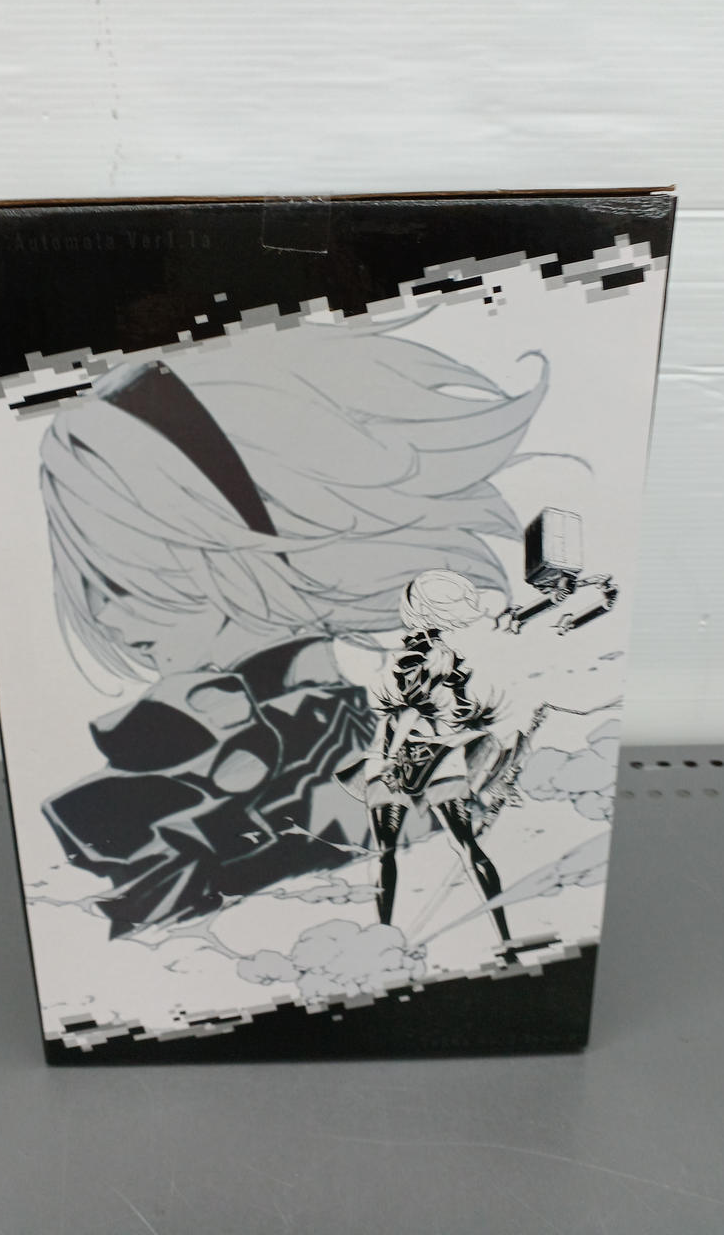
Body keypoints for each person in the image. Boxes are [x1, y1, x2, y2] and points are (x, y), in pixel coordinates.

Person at [38, 320, 546, 937]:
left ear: (244, 543)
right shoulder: (172, 750)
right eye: (90, 582)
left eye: (122, 578)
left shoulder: (354, 741)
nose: (101, 614)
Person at [336, 570, 517, 949]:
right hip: (434, 754)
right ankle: (504, 937)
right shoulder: (441, 654)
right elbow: (452, 707)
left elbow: (409, 711)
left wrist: (389, 756)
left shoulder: (421, 654)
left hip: (404, 754)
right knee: (465, 845)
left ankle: (385, 940)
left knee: (389, 852)